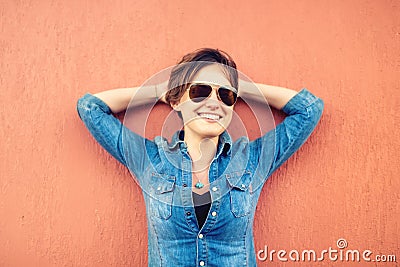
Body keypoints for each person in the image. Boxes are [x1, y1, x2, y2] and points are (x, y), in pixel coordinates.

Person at [76, 48, 324, 266]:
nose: (214, 103)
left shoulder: (251, 159)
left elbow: (309, 109)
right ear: (176, 101)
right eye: (200, 91)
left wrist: (241, 88)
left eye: (225, 96)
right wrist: (156, 91)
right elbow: (90, 107)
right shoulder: (150, 158)